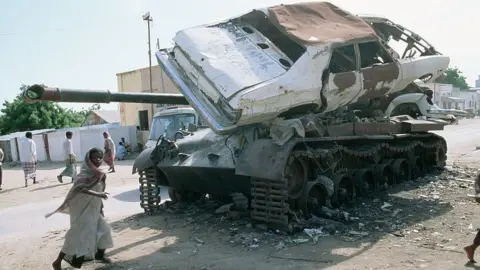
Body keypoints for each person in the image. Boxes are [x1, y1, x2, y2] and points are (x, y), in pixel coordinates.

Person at [46, 147, 113, 270]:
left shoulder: (101, 173)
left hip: (94, 208)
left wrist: (100, 204)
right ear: (89, 159)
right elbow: (80, 189)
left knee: (105, 230)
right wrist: (99, 195)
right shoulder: (83, 174)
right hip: (81, 208)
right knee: (78, 235)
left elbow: (102, 188)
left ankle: (100, 255)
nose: (98, 160)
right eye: (94, 157)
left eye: (100, 157)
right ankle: (57, 261)